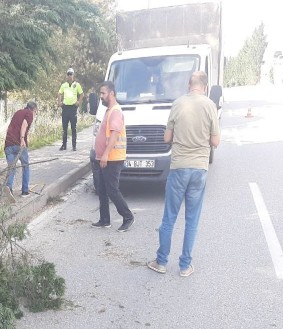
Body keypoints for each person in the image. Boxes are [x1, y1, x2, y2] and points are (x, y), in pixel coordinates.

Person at [147, 71, 220, 277]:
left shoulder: (178, 103)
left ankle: (161, 261)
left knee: (169, 217)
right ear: (205, 87)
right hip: (199, 169)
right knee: (192, 219)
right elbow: (215, 142)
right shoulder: (210, 106)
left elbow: (166, 137)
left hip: (179, 167)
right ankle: (185, 266)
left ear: (190, 84)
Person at [91, 81, 135, 232]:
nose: (101, 96)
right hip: (105, 157)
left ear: (112, 93)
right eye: (100, 93)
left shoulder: (115, 111)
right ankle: (104, 220)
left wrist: (105, 154)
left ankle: (128, 217)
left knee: (112, 190)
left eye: (103, 93)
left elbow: (115, 134)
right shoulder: (108, 110)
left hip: (112, 158)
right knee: (102, 189)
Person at [3, 101, 37, 202]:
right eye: (36, 112)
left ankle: (9, 188)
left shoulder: (18, 112)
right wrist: (22, 139)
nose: (35, 114)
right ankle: (25, 191)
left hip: (8, 144)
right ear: (34, 109)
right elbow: (24, 126)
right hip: (19, 144)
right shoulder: (29, 113)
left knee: (11, 168)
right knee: (25, 166)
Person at [58, 68, 84, 151]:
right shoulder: (64, 85)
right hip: (65, 107)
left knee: (74, 127)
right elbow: (59, 93)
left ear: (73, 75)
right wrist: (59, 102)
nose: (69, 76)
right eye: (68, 74)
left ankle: (74, 145)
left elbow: (81, 94)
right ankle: (64, 145)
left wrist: (78, 102)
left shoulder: (77, 85)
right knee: (64, 128)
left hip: (73, 108)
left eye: (71, 74)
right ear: (67, 75)